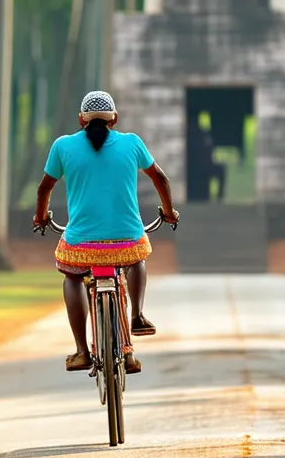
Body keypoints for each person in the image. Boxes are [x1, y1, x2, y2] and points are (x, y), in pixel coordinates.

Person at [34, 91, 179, 374]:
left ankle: (81, 350)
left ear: (81, 120)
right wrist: (169, 212)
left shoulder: (63, 146)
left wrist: (41, 218)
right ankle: (136, 314)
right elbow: (160, 178)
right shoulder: (132, 143)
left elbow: (44, 188)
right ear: (115, 118)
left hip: (81, 243)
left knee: (72, 276)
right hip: (126, 239)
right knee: (138, 257)